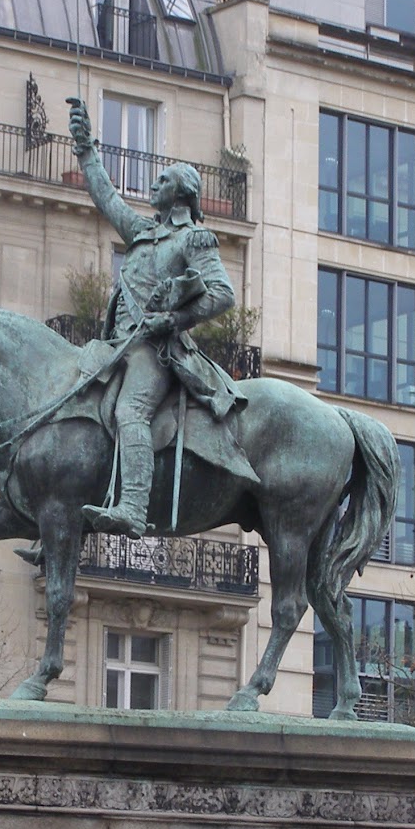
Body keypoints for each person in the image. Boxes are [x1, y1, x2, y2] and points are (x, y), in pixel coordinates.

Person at [65, 97, 243, 538]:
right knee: (70, 406)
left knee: (131, 411)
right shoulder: (143, 232)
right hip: (117, 345)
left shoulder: (195, 238)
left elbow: (223, 294)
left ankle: (132, 507)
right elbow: (106, 198)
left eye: (162, 180)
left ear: (180, 192)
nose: (153, 184)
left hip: (156, 351)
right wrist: (86, 148)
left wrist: (174, 320)